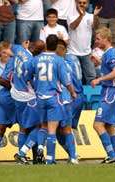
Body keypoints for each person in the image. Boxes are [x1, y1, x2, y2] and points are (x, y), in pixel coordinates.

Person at [30, 35, 76, 164]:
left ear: (45, 44)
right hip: (60, 99)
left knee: (43, 126)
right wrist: (73, 92)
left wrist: (35, 88)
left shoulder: (36, 60)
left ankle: (39, 148)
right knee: (62, 129)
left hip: (40, 97)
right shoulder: (62, 62)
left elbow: (29, 76)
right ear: (58, 48)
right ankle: (70, 157)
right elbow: (67, 81)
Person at [91, 27, 115, 163]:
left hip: (110, 92)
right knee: (109, 125)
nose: (96, 41)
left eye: (98, 39)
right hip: (113, 92)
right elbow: (111, 69)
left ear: (106, 39)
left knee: (97, 125)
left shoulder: (110, 54)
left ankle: (111, 155)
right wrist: (98, 63)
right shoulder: (108, 54)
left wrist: (99, 79)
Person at [67, 0, 102, 84]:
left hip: (87, 53)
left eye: (84, 3)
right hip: (72, 53)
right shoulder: (70, 15)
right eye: (80, 2)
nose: (82, 4)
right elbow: (73, 27)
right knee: (74, 78)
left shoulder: (90, 16)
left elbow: (96, 27)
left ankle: (91, 96)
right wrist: (81, 16)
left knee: (92, 77)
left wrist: (95, 16)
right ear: (76, 3)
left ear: (87, 4)